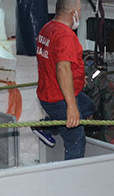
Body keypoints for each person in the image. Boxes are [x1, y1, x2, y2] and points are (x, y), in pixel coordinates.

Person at [35, 0, 95, 160]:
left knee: (89, 107)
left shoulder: (47, 28)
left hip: (48, 92)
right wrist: (71, 107)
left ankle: (47, 127)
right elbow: (62, 69)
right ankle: (70, 179)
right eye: (80, 11)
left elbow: (56, 62)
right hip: (59, 98)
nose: (80, 15)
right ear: (73, 12)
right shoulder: (65, 35)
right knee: (76, 141)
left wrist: (79, 77)